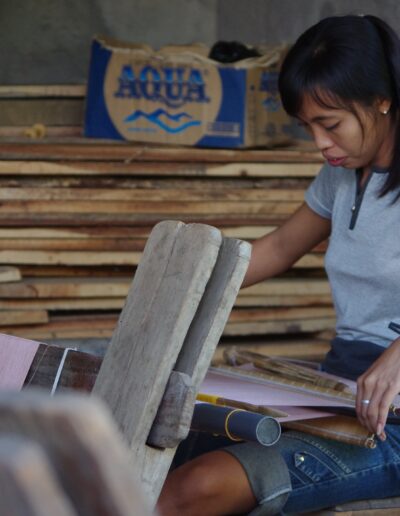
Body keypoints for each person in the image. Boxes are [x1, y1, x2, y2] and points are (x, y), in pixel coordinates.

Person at [157, 14, 400, 515]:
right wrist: (172, 298)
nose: (319, 143)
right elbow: (278, 248)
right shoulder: (342, 176)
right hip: (340, 398)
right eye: (308, 126)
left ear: (382, 99)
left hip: (390, 426)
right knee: (159, 448)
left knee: (195, 489)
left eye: (329, 124)